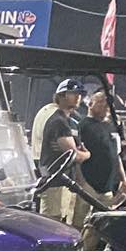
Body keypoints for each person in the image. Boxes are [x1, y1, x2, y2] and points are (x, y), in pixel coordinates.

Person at [74, 87, 126, 224]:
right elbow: (75, 154)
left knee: (102, 224)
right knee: (80, 221)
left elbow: (116, 155)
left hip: (107, 187)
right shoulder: (82, 126)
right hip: (88, 184)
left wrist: (124, 180)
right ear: (90, 104)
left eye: (107, 103)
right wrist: (81, 182)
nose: (105, 106)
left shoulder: (110, 127)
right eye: (100, 102)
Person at [35, 79, 88, 221]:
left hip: (66, 182)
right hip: (54, 183)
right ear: (61, 95)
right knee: (51, 223)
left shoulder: (70, 122)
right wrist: (87, 154)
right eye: (73, 93)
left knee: (65, 225)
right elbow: (74, 155)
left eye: (80, 94)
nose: (78, 97)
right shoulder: (58, 122)